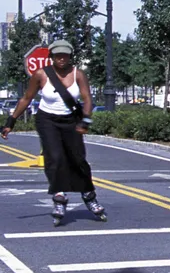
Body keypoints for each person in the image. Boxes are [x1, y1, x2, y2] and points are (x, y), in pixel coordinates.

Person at [2, 40, 106, 225]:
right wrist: (11, 122)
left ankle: (89, 195)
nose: (61, 59)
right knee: (55, 158)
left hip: (71, 120)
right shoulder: (41, 75)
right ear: (51, 56)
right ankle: (59, 198)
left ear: (70, 56)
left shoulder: (78, 74)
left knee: (78, 159)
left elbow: (88, 99)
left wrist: (85, 120)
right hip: (47, 120)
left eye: (65, 55)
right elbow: (27, 98)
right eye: (58, 55)